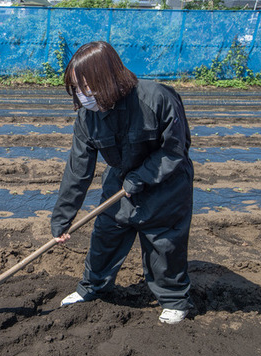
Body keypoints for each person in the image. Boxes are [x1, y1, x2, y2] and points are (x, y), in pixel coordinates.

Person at [51, 41, 194, 325]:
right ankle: (91, 288)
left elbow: (175, 149)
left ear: (107, 78)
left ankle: (174, 299)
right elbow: (78, 169)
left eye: (85, 87)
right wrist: (62, 218)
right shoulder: (87, 117)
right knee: (106, 234)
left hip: (165, 183)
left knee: (163, 242)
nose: (81, 96)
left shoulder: (157, 99)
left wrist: (140, 177)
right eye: (76, 89)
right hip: (120, 181)